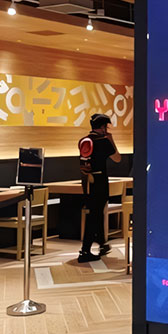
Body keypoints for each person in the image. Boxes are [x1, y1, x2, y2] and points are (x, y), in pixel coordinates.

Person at [76, 112, 122, 263]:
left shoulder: (84, 140)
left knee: (94, 214)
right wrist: (111, 140)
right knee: (95, 216)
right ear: (103, 127)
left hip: (87, 182)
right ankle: (85, 250)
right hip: (100, 181)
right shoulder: (103, 141)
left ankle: (102, 243)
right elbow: (117, 158)